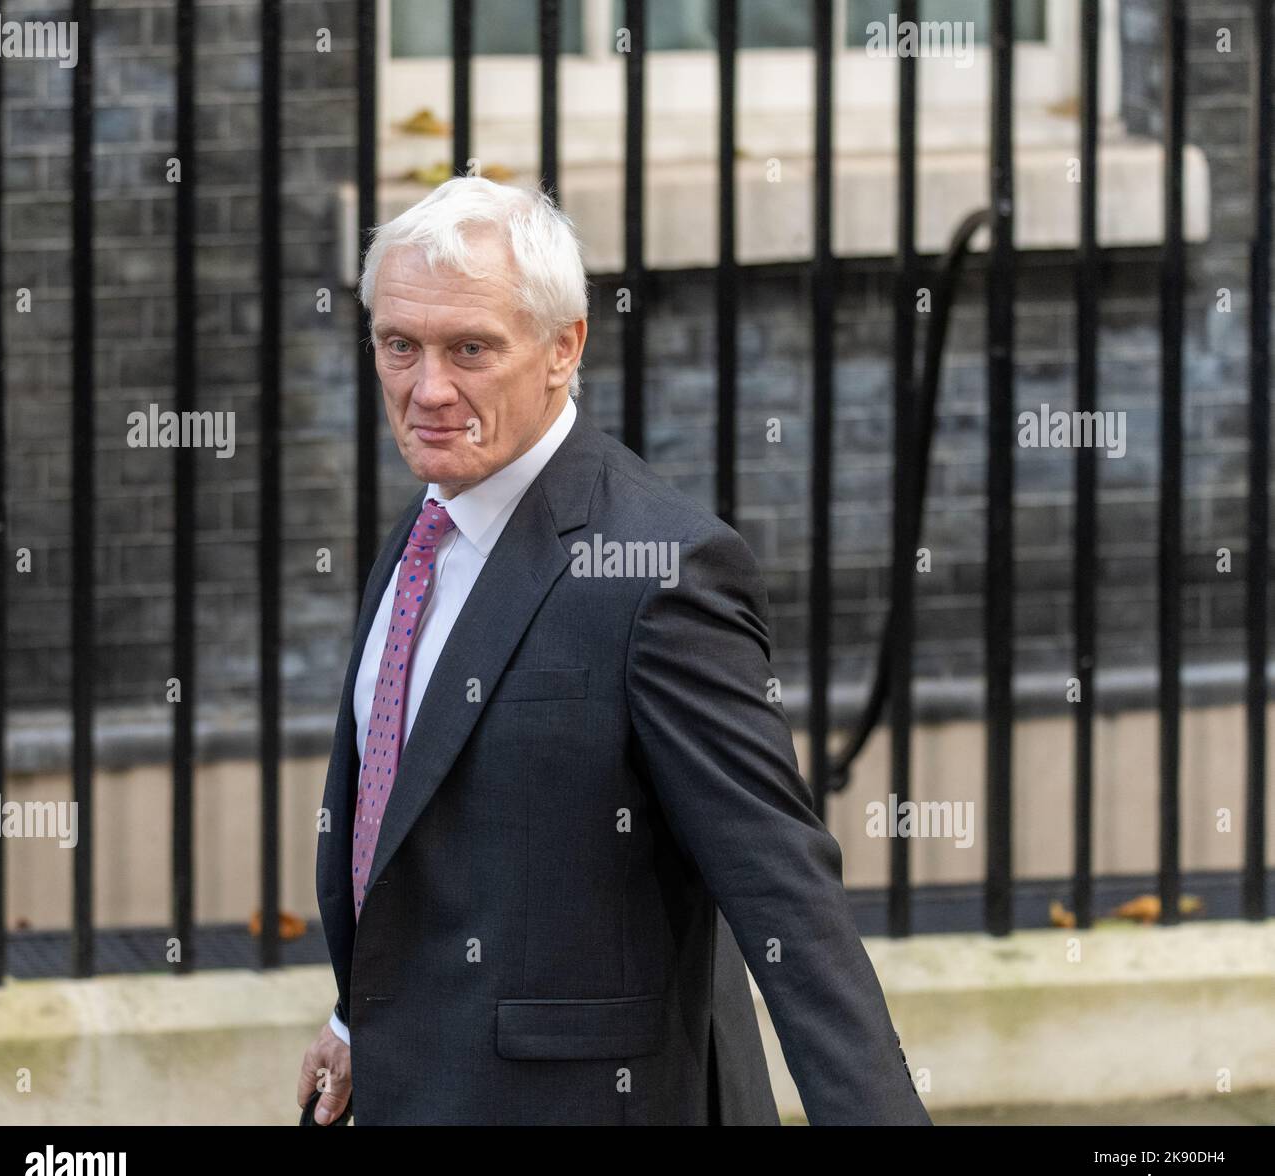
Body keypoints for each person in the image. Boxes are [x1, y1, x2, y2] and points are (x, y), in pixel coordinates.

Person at [297, 174, 931, 1126]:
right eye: (400, 346)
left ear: (565, 348)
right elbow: (426, 834)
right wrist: (359, 1021)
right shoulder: (422, 535)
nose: (427, 389)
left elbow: (784, 890)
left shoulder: (664, 572)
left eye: (470, 348)